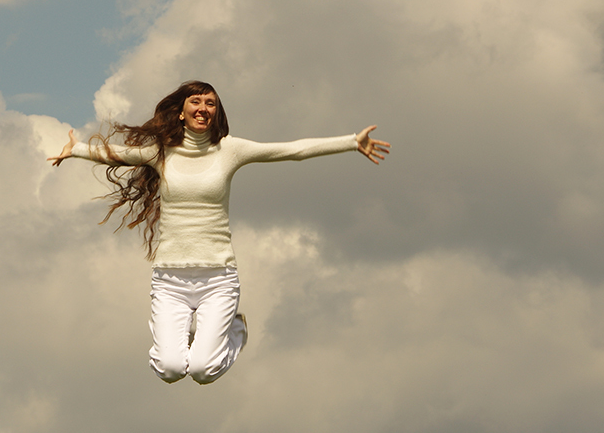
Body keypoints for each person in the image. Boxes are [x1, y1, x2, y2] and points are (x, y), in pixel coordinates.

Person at [48, 81, 390, 384]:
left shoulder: (230, 150)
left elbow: (291, 151)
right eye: (196, 102)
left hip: (218, 277)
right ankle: (189, 333)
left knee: (201, 371)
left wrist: (350, 142)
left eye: (210, 104)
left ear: (216, 112)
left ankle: (236, 331)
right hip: (170, 279)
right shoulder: (161, 152)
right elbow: (119, 155)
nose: (203, 108)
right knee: (169, 369)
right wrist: (76, 149)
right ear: (181, 112)